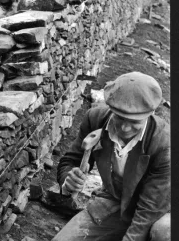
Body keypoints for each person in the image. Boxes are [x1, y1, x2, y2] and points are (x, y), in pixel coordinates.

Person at [54, 72, 170, 241]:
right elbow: (70, 160)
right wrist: (68, 181)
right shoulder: (95, 119)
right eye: (119, 117)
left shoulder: (164, 144)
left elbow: (149, 210)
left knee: (164, 232)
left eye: (134, 122)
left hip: (161, 209)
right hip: (118, 200)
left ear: (150, 114)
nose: (124, 128)